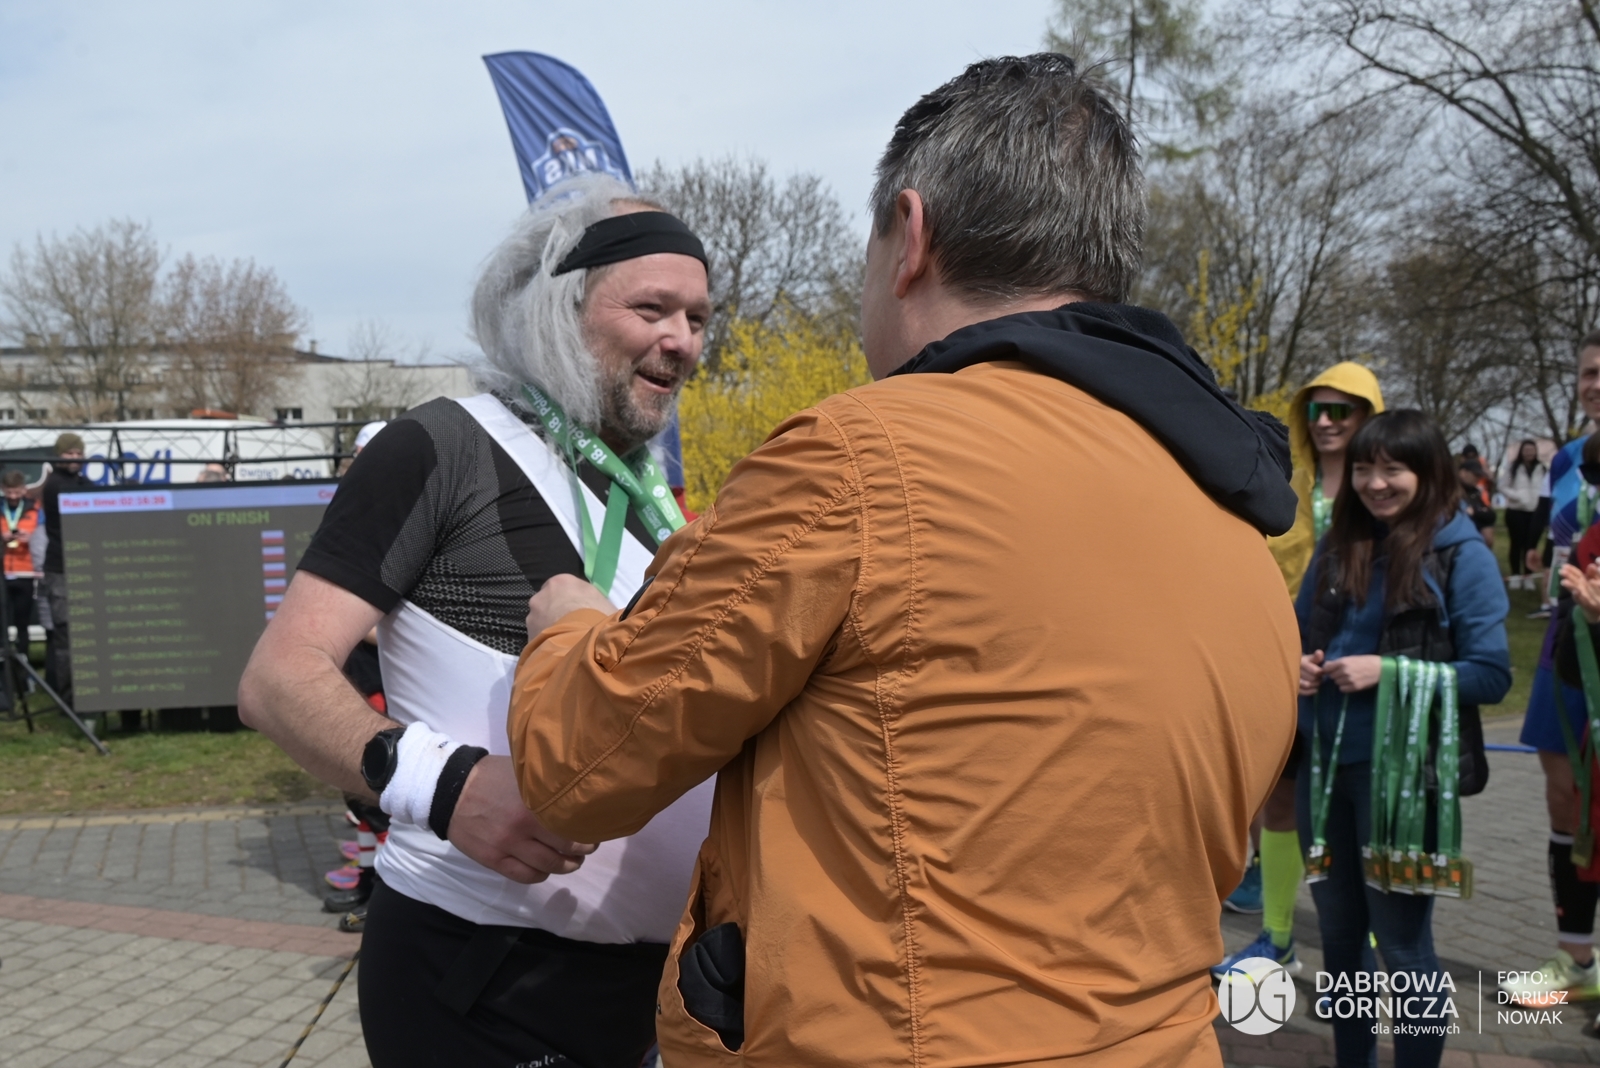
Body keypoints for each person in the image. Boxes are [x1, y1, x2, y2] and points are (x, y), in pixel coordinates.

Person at [507, 54, 1299, 1067]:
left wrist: (570, 627)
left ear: (910, 236)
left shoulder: (855, 464)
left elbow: (582, 766)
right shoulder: (1230, 509)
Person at [238, 175, 716, 1068]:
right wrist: (447, 787)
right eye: (651, 308)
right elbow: (279, 677)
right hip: (481, 978)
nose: (682, 340)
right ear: (557, 308)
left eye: (697, 318)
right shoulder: (446, 444)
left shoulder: (651, 497)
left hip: (645, 994)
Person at [1297, 409, 1510, 1068]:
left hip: (1404, 787)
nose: (1375, 483)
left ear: (1428, 472)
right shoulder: (1338, 546)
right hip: (1322, 777)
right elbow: (1296, 636)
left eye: (1393, 469)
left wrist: (1387, 672)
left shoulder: (1460, 554)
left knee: (1402, 946)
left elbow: (1491, 674)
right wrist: (1296, 666)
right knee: (1339, 941)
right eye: (1364, 468)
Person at [1213, 362, 1383, 979]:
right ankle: (1278, 937)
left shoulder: (1384, 487)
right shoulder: (1284, 477)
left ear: (1370, 416)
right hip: (1285, 664)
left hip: (1359, 674)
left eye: (1343, 410)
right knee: (1280, 801)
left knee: (1360, 816)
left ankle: (1364, 953)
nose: (1328, 422)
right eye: (1318, 409)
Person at [1503, 331, 1600, 1005]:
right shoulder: (1567, 457)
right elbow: (1555, 535)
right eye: (1589, 372)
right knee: (1563, 791)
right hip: (1566, 645)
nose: (1596, 384)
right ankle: (1576, 961)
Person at [37, 433, 91, 702]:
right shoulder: (55, 485)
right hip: (60, 569)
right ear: (58, 456)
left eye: (78, 454)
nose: (74, 459)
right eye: (69, 454)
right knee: (66, 635)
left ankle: (89, 692)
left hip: (85, 565)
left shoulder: (82, 482)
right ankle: (69, 698)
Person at [1502, 439, 1548, 590]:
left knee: (1531, 545)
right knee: (1516, 544)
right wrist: (1517, 496)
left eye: (1531, 450)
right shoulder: (1513, 468)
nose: (1529, 453)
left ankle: (1528, 576)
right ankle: (1516, 575)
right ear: (1521, 451)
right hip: (1516, 510)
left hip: (1535, 512)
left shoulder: (1542, 469)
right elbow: (1502, 486)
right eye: (1526, 450)